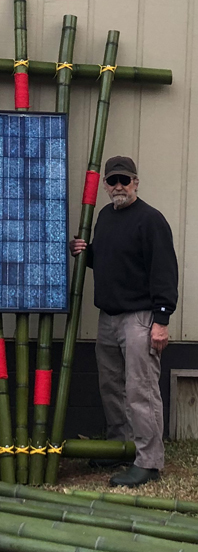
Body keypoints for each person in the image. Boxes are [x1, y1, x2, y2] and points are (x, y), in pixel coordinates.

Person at [70, 156, 178, 487]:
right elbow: (106, 261)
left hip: (140, 317)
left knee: (140, 390)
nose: (119, 187)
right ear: (105, 185)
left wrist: (161, 320)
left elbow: (164, 272)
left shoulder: (150, 220)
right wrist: (83, 253)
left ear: (136, 182)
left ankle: (148, 461)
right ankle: (120, 446)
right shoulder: (104, 216)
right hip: (109, 316)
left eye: (125, 180)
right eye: (113, 181)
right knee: (112, 387)